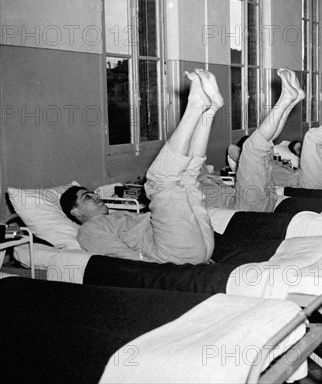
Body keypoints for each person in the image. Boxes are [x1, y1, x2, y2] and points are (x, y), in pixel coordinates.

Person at [60, 69, 223, 264]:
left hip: (196, 247)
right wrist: (158, 266)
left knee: (188, 176)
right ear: (76, 212)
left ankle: (211, 108)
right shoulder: (89, 231)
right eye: (87, 197)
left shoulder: (118, 217)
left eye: (91, 193)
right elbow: (121, 256)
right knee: (159, 181)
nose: (95, 196)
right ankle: (196, 107)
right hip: (173, 255)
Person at [235, 68, 322, 212]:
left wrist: (290, 104)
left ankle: (291, 100)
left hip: (301, 185)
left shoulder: (267, 163)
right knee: (310, 138)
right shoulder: (253, 163)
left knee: (264, 143)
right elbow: (235, 150)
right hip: (302, 188)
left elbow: (269, 138)